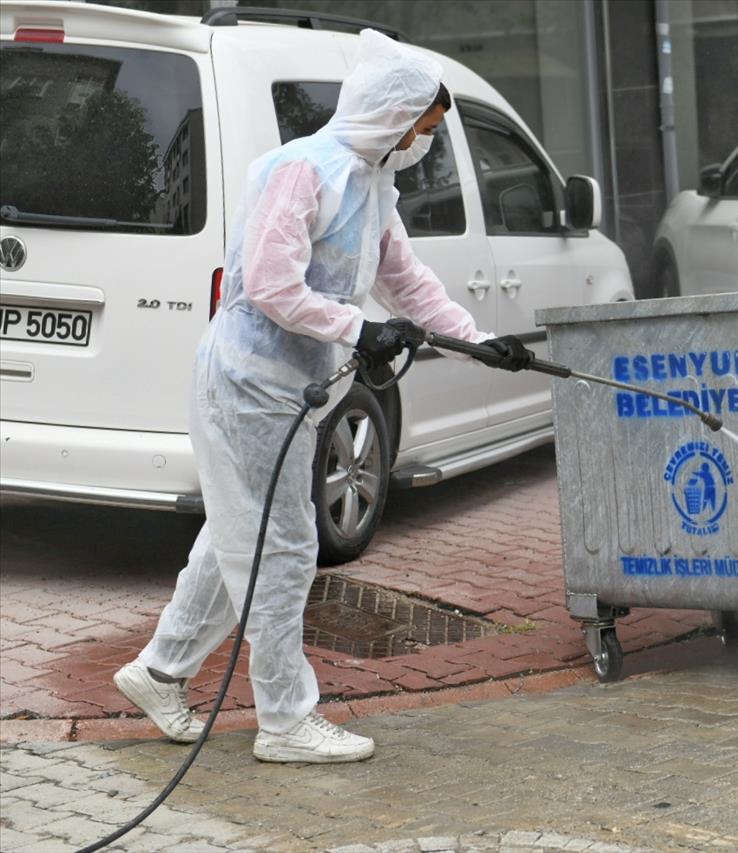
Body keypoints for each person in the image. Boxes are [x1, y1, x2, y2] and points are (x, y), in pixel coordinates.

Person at [113, 30, 531, 763]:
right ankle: (284, 720)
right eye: (425, 129)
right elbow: (271, 283)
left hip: (290, 390)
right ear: (393, 115)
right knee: (282, 548)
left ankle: (158, 671)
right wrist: (357, 327)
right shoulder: (303, 170)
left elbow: (408, 282)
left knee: (233, 537)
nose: (425, 143)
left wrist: (479, 340)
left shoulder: (372, 186)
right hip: (246, 381)